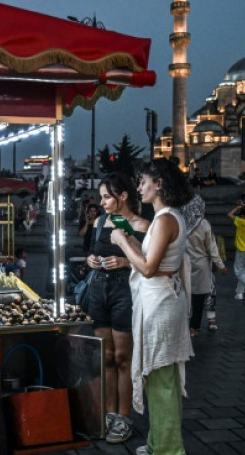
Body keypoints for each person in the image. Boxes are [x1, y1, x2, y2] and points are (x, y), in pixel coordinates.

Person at [110, 159, 193, 455]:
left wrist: (121, 242)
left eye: (144, 181)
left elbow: (147, 268)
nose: (139, 187)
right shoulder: (165, 218)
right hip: (159, 299)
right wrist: (131, 240)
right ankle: (159, 442)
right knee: (157, 377)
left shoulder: (166, 219)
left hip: (160, 304)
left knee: (161, 379)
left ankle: (169, 449)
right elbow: (155, 262)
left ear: (159, 184)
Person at [84, 172, 150, 445]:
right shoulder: (100, 222)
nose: (102, 202)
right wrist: (91, 259)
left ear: (123, 196)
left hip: (126, 292)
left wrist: (124, 263)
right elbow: (92, 250)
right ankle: (110, 413)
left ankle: (124, 417)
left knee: (124, 358)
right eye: (101, 197)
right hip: (100, 291)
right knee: (106, 356)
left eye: (107, 197)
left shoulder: (142, 224)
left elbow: (148, 262)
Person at [183, 194, 226, 336]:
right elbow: (212, 247)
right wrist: (220, 265)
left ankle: (184, 325)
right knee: (198, 299)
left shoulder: (181, 222)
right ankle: (194, 328)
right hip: (201, 267)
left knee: (185, 297)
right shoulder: (204, 224)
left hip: (184, 265)